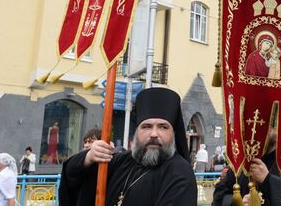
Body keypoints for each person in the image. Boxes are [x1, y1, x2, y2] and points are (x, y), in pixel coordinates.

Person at [59, 87, 196, 205]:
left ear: (173, 133)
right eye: (146, 126)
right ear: (136, 132)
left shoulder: (179, 172)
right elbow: (71, 175)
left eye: (163, 127)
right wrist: (89, 157)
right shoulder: (122, 162)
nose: (154, 134)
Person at [212, 112, 281, 206]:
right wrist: (238, 201)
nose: (256, 130)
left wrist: (268, 180)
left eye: (267, 126)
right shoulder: (239, 164)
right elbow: (219, 197)